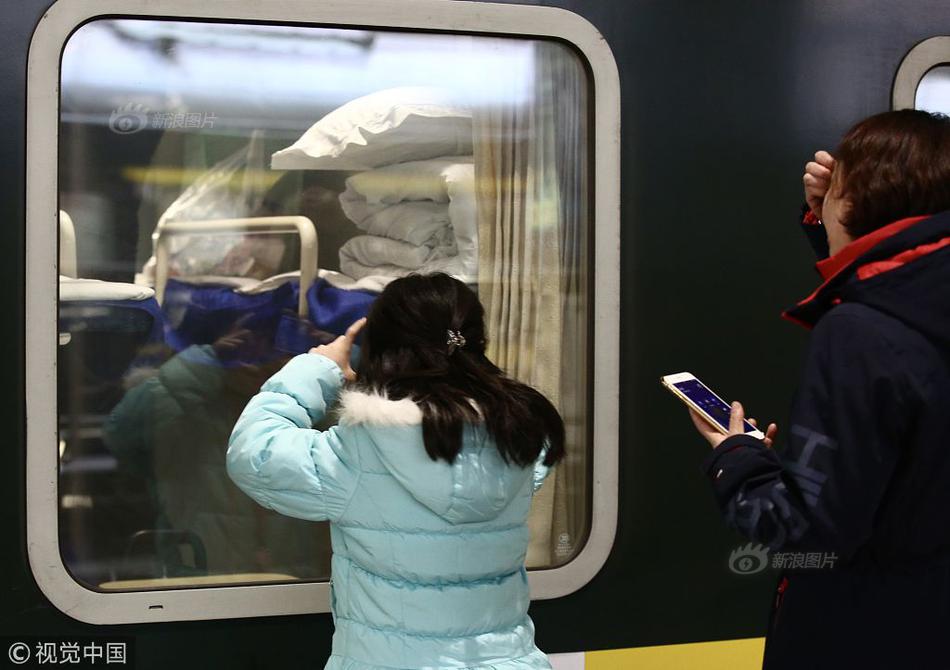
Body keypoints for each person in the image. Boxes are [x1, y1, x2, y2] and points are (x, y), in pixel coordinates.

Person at [688, 109, 950, 669]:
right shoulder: (921, 313)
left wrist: (737, 459)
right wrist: (828, 221)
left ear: (853, 201)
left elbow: (812, 539)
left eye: (838, 188)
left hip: (856, 632)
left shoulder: (857, 333)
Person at [227, 272, 565, 670]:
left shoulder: (360, 451)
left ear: (380, 347)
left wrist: (318, 368)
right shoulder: (519, 438)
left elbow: (255, 453)